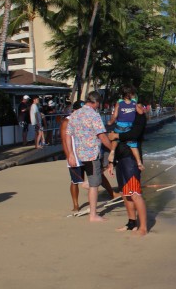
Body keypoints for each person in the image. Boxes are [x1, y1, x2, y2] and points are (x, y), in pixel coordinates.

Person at [61, 101, 119, 212]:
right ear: (75, 109)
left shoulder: (86, 118)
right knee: (75, 181)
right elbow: (64, 140)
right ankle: (76, 205)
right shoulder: (67, 121)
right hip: (75, 156)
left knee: (97, 173)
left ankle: (112, 193)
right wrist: (69, 155)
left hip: (88, 153)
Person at [106, 103, 148, 235]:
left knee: (135, 194)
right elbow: (112, 139)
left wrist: (116, 136)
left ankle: (143, 228)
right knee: (125, 193)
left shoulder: (140, 118)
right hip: (120, 159)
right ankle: (131, 223)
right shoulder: (121, 119)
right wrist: (111, 161)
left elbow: (134, 135)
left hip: (131, 160)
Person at [107, 85, 143, 170]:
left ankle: (112, 151)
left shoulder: (119, 102)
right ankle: (139, 162)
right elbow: (140, 112)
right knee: (133, 146)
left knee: (115, 139)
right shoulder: (134, 102)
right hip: (129, 126)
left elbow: (115, 115)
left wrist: (110, 122)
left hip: (120, 125)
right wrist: (139, 108)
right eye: (132, 93)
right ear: (129, 94)